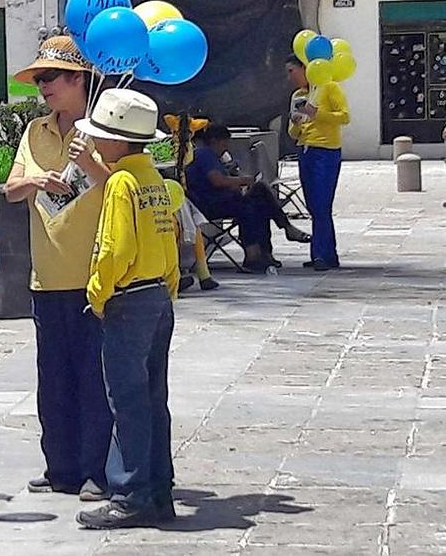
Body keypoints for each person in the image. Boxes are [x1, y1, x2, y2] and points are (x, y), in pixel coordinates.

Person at [4, 36, 113, 502]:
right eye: (39, 80)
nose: (43, 87)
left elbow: (122, 188)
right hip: (46, 277)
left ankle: (97, 471)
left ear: (78, 78)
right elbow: (10, 190)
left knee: (95, 380)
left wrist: (89, 163)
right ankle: (60, 468)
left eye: (51, 77)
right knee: (53, 380)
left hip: (95, 278)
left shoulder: (106, 127)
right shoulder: (35, 132)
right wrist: (34, 180)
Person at [73, 89, 179, 530]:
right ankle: (159, 490)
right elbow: (168, 238)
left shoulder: (120, 183)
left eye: (100, 135)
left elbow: (115, 249)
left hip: (129, 299)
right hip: (158, 296)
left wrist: (97, 294)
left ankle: (130, 494)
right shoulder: (152, 178)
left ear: (117, 140)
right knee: (154, 399)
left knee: (127, 402)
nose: (96, 142)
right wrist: (169, 286)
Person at [186, 123, 311, 272]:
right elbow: (217, 181)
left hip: (220, 199)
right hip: (208, 205)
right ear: (214, 141)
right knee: (250, 206)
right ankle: (260, 249)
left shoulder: (212, 157)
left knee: (260, 198)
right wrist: (243, 180)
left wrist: (235, 178)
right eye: (224, 144)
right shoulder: (204, 154)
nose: (226, 149)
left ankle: (264, 253)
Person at [286, 54, 351, 270]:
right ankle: (324, 253)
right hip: (305, 150)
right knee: (313, 205)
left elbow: (344, 116)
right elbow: (292, 132)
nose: (290, 77)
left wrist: (317, 113)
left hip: (326, 150)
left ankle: (322, 254)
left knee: (322, 203)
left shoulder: (329, 87)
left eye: (292, 71)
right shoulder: (298, 95)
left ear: (305, 68)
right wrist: (296, 122)